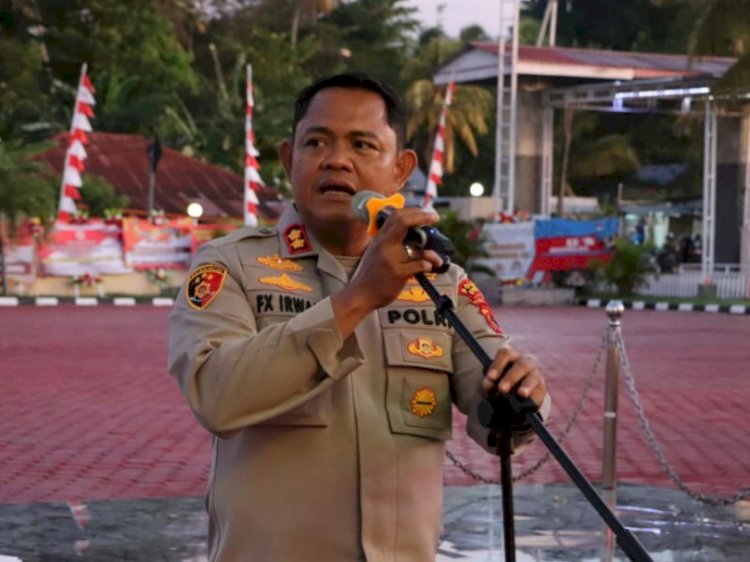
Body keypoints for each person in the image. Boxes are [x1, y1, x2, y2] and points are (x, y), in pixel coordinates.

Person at [168, 72, 551, 562]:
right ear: (290, 159)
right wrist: (358, 299)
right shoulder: (230, 265)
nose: (336, 159)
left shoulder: (440, 280)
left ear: (400, 169)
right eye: (316, 142)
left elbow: (492, 410)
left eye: (362, 144)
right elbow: (216, 394)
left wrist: (517, 392)